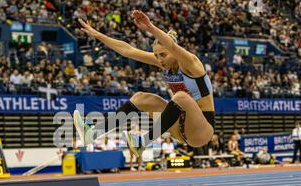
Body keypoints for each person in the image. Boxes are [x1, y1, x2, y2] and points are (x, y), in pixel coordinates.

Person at [74, 10, 215, 157]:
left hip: (201, 131)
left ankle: (143, 142)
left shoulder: (191, 64)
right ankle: (93, 132)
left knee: (181, 97)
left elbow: (172, 46)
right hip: (179, 127)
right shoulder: (164, 63)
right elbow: (127, 50)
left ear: (175, 52)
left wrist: (150, 27)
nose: (159, 60)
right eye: (156, 56)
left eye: (163, 55)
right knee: (140, 98)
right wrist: (97, 34)